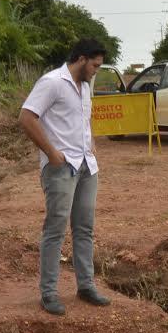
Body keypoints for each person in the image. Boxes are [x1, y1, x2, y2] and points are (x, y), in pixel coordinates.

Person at [19, 39, 111, 316]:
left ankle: (86, 286)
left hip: (86, 166)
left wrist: (91, 141)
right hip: (60, 167)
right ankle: (48, 293)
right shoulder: (52, 82)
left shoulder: (84, 87)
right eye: (94, 65)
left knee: (84, 228)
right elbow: (26, 117)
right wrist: (51, 151)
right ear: (81, 59)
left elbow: (83, 119)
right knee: (55, 229)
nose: (96, 70)